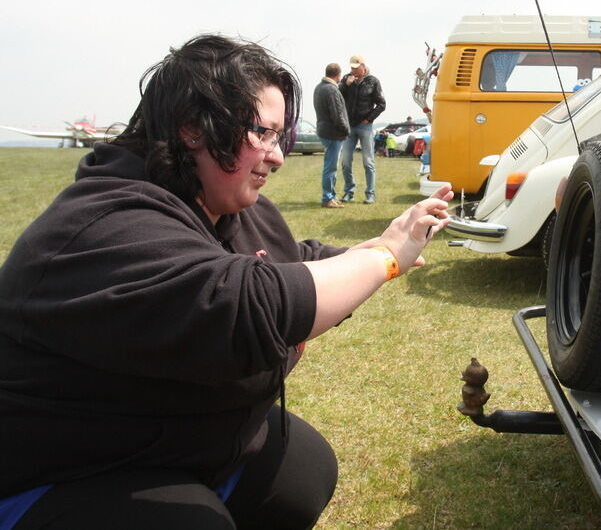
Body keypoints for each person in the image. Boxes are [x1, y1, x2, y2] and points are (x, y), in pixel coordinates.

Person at [0, 34, 452, 530]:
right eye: (264, 133)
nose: (278, 156)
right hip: (63, 467)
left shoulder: (222, 205)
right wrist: (385, 259)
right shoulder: (104, 225)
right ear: (194, 129)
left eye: (282, 136)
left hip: (168, 433)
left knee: (298, 468)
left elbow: (286, 262)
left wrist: (367, 250)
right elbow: (245, 304)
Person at [339, 55, 385, 204]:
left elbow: (381, 104)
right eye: (351, 67)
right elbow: (338, 96)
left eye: (356, 67)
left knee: (368, 162)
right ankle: (349, 192)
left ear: (363, 67)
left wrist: (369, 118)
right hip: (349, 127)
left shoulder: (373, 81)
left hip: (365, 126)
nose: (353, 70)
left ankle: (370, 194)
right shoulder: (347, 79)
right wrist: (346, 85)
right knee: (345, 161)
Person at [313, 63, 350, 208]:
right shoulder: (332, 90)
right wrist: (346, 130)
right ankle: (328, 198)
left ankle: (331, 196)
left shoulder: (319, 87)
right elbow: (337, 115)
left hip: (324, 130)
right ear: (338, 75)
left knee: (330, 166)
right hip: (334, 133)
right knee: (331, 167)